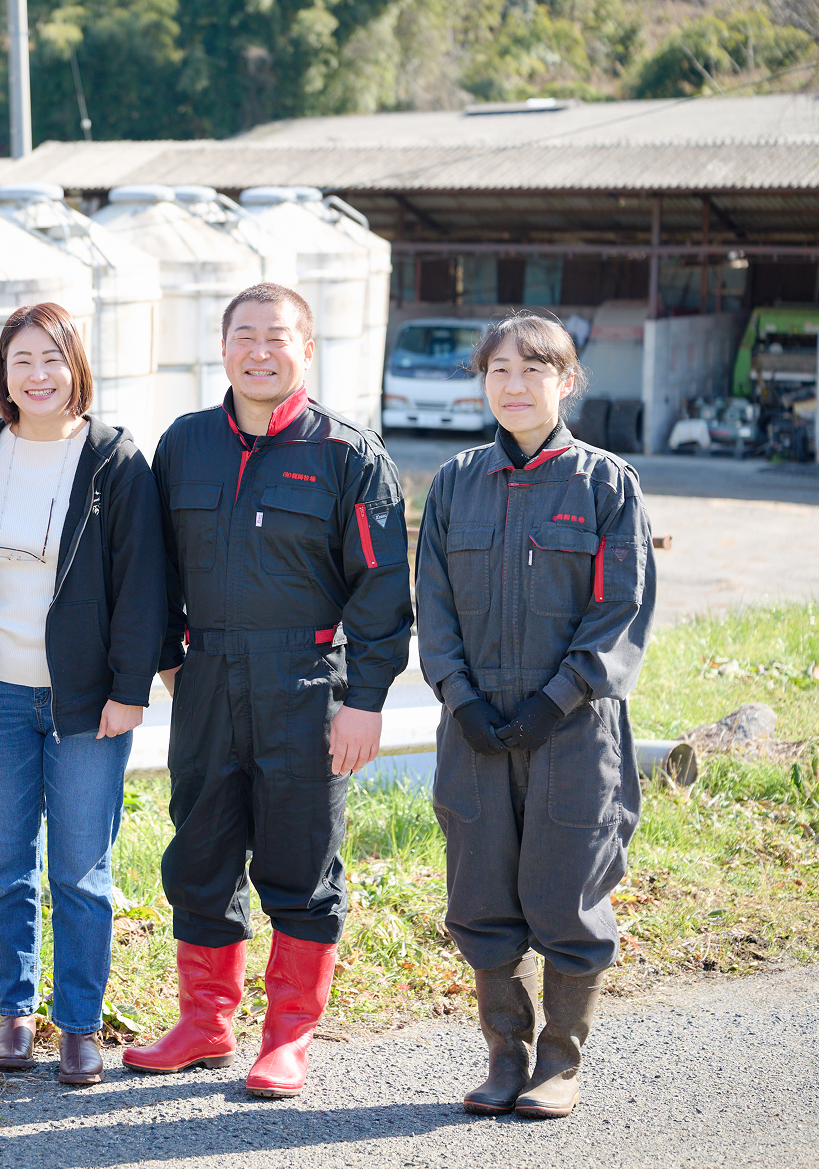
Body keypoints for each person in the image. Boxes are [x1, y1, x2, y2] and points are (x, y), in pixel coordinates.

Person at [124, 282, 414, 1098]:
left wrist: (364, 699)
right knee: (201, 848)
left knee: (301, 857)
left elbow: (384, 590)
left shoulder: (349, 455)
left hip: (307, 682)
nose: (260, 351)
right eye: (244, 336)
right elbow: (152, 571)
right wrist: (171, 661)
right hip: (209, 679)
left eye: (277, 337)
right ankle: (204, 1023)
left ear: (306, 350)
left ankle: (287, 1036)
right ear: (222, 348)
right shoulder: (184, 445)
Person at [0, 303, 166, 1086]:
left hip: (88, 701)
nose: (38, 375)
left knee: (83, 871)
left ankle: (80, 1026)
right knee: (4, 864)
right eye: (22, 360)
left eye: (52, 359)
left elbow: (143, 586)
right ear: (4, 372)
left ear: (76, 368)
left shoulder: (114, 461)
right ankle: (13, 1013)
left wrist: (129, 689)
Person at [413, 312, 656, 1120]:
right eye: (499, 372)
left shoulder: (606, 483)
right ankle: (505, 1057)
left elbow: (619, 607)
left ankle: (561, 1062)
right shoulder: (454, 483)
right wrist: (460, 699)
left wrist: (555, 701)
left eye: (533, 370)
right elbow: (434, 606)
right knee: (481, 893)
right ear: (482, 382)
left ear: (567, 381)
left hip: (574, 731)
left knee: (567, 895)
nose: (514, 386)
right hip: (476, 728)